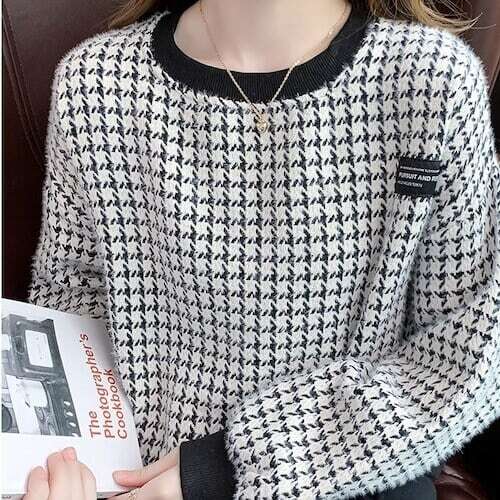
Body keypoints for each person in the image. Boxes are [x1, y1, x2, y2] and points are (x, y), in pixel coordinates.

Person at [24, 0, 500, 499]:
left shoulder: (433, 82)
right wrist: (70, 466)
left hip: (354, 477)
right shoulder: (95, 86)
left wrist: (229, 466)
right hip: (136, 481)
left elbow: (472, 353)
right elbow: (70, 303)